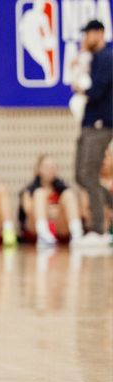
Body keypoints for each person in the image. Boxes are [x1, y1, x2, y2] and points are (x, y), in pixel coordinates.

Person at [72, 19, 113, 248]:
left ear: (98, 33)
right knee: (80, 174)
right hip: (88, 123)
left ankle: (99, 230)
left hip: (101, 124)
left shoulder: (108, 57)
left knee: (89, 173)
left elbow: (97, 90)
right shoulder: (93, 58)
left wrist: (82, 88)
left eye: (88, 34)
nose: (85, 39)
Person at [20, 155, 84, 248]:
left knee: (69, 194)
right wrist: (47, 210)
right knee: (39, 193)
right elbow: (28, 211)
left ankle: (77, 233)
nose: (50, 170)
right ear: (39, 169)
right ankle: (43, 234)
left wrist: (56, 210)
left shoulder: (63, 189)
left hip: (59, 226)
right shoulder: (29, 191)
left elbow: (78, 212)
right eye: (46, 167)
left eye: (53, 167)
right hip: (35, 226)